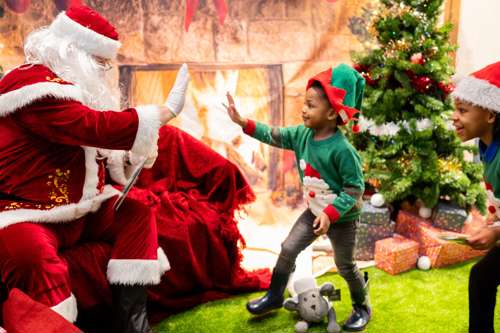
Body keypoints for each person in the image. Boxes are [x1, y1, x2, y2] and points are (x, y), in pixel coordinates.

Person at [0, 4, 189, 333]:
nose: (105, 70)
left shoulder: (76, 89)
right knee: (31, 255)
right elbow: (91, 127)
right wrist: (160, 114)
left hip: (82, 208)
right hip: (27, 211)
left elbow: (96, 151)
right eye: (99, 62)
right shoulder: (34, 86)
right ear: (72, 50)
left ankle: (133, 324)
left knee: (137, 214)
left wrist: (130, 158)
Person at [225, 64, 372, 331]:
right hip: (315, 213)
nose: (303, 109)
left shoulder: (342, 150)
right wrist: (242, 121)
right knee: (288, 248)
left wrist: (330, 214)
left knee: (345, 265)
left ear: (330, 112)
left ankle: (362, 305)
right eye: (305, 103)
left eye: (311, 105)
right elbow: (273, 134)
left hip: (342, 219)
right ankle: (274, 296)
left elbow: (354, 188)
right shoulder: (301, 134)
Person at [451, 61, 500, 333]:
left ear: (490, 115)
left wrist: (495, 232)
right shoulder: (486, 145)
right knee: (482, 276)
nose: (454, 117)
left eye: (463, 110)